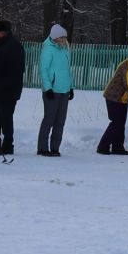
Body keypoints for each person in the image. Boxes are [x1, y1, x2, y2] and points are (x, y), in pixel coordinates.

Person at [0, 20, 26, 155]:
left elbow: (17, 70)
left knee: (5, 119)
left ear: (1, 32)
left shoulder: (14, 46)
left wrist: (5, 85)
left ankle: (8, 146)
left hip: (8, 90)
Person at [98, 45, 128, 155]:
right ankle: (103, 147)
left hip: (121, 98)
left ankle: (117, 147)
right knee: (116, 122)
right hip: (114, 96)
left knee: (120, 123)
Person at [37, 24, 74, 156]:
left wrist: (71, 87)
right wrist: (48, 88)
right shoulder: (48, 49)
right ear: (55, 37)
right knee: (49, 119)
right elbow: (43, 70)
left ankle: (55, 148)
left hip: (64, 90)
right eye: (61, 37)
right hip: (52, 90)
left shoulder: (65, 50)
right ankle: (42, 148)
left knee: (60, 121)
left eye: (64, 37)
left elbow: (67, 70)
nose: (64, 40)